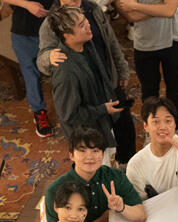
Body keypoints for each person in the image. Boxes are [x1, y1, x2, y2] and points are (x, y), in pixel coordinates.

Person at [37, 0, 131, 161]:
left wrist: (121, 69)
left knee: (124, 131)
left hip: (105, 91)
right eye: (81, 25)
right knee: (99, 172)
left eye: (85, 21)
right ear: (67, 34)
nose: (88, 25)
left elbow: (111, 41)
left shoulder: (91, 16)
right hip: (89, 136)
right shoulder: (66, 70)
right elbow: (70, 114)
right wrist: (49, 57)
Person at [45, 127, 146, 222]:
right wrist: (101, 221)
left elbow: (141, 215)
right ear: (71, 156)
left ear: (102, 155)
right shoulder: (55, 191)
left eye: (95, 151)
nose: (90, 157)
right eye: (82, 150)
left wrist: (122, 208)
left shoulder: (115, 176)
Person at [115, 0, 178, 124]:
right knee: (149, 92)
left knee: (175, 90)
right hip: (144, 44)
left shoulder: (135, 4)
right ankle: (152, 128)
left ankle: (177, 127)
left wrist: (135, 6)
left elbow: (169, 11)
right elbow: (131, 16)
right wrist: (161, 9)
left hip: (173, 41)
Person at [126, 97, 178, 199]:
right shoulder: (135, 165)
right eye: (156, 121)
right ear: (145, 126)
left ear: (175, 124)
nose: (163, 127)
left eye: (168, 121)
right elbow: (141, 205)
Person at [3, 0, 55, 137]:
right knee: (31, 76)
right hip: (24, 33)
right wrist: (27, 5)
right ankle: (39, 113)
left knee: (63, 71)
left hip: (54, 29)